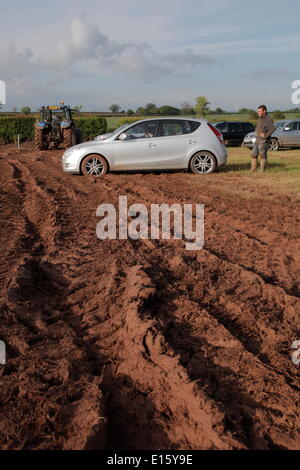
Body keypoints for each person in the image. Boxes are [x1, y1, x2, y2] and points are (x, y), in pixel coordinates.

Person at [251, 105, 275, 172]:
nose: (258, 112)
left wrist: (265, 135)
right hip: (257, 139)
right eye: (258, 111)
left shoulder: (268, 119)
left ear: (264, 111)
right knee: (253, 154)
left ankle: (262, 170)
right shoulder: (260, 118)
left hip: (264, 140)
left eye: (259, 111)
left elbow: (273, 128)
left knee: (262, 155)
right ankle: (253, 169)